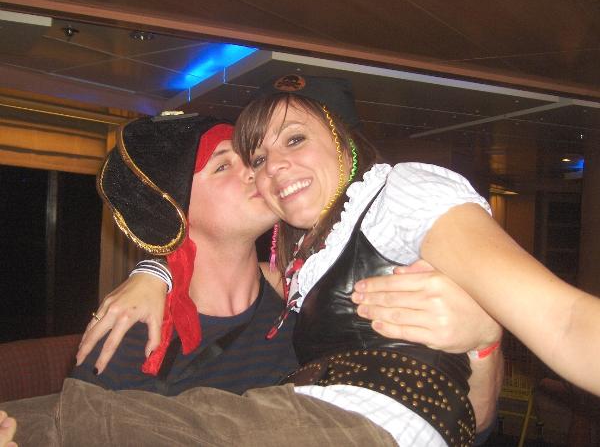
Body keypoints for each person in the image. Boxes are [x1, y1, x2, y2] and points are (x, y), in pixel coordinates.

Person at [0, 111, 500, 446]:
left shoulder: (311, 311)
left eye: (252, 161)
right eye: (223, 166)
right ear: (176, 211)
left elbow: (463, 425)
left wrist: (484, 340)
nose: (260, 173)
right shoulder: (132, 337)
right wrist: (155, 268)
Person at [233, 73, 600, 407]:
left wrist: (484, 344)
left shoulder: (399, 197)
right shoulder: (306, 258)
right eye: (259, 159)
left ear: (345, 140)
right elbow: (472, 427)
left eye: (295, 139)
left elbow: (563, 320)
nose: (273, 166)